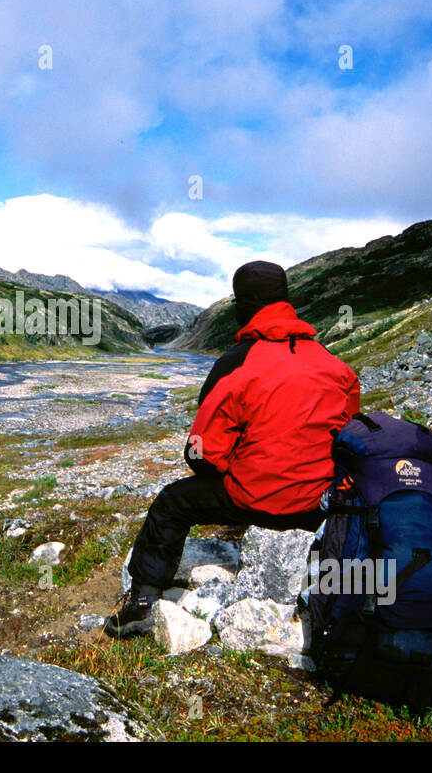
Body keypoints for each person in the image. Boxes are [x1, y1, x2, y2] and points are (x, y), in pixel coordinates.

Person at [104, 260, 361, 638]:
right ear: (285, 300)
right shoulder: (336, 366)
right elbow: (349, 441)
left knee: (171, 503)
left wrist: (231, 468)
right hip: (317, 505)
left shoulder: (235, 363)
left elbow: (203, 449)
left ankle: (142, 603)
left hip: (255, 498)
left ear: (242, 307)